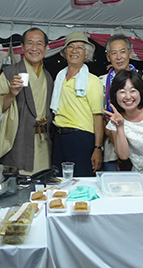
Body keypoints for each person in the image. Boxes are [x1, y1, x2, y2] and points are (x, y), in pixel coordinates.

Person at [0, 28, 53, 174]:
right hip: (19, 139)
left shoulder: (48, 76)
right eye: (30, 43)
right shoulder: (10, 73)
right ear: (23, 47)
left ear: (46, 48)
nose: (34, 48)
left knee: (42, 181)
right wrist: (11, 94)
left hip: (43, 139)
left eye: (39, 43)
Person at [99, 34, 143, 171]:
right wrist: (115, 138)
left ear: (130, 53)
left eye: (122, 52)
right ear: (108, 57)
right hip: (112, 146)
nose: (119, 57)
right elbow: (101, 115)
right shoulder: (101, 81)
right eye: (114, 53)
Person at [51, 31, 104, 177]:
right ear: (64, 52)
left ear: (86, 54)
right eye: (71, 47)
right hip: (59, 137)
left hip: (81, 138)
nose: (74, 51)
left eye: (80, 48)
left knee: (81, 182)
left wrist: (98, 148)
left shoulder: (92, 81)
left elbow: (98, 116)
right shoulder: (60, 78)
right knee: (58, 182)